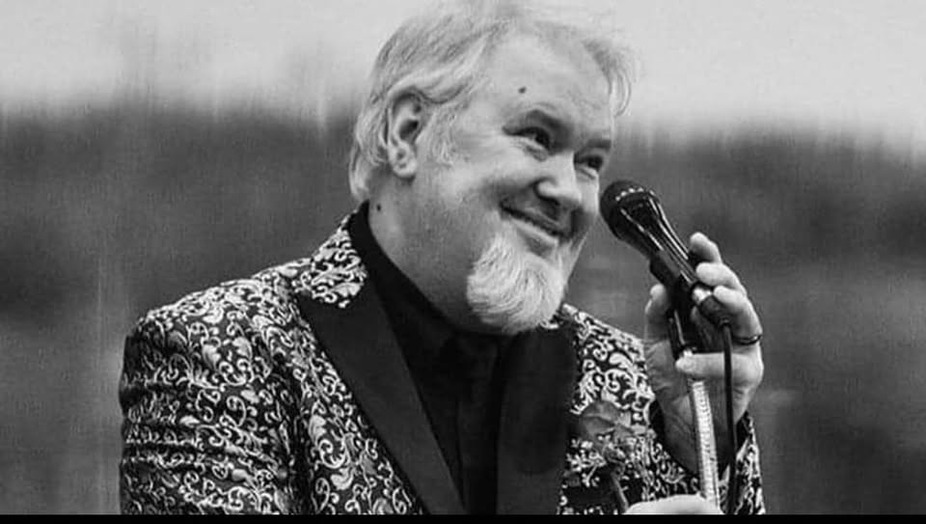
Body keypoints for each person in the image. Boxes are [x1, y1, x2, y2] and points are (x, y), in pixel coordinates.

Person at [118, 0, 765, 515]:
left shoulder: (635, 383)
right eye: (537, 137)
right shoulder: (217, 354)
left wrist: (703, 444)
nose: (570, 191)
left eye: (591, 161)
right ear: (408, 134)